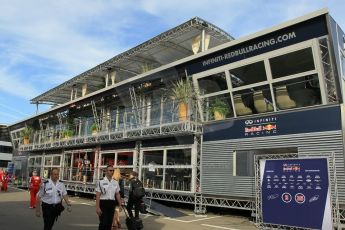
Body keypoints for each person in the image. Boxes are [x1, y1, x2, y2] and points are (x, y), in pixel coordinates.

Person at [96, 165, 123, 230]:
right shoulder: (101, 182)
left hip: (111, 203)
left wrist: (120, 204)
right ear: (106, 171)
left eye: (113, 170)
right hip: (103, 203)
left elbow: (117, 194)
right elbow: (98, 195)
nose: (112, 172)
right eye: (110, 170)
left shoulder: (115, 182)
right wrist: (97, 207)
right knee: (103, 222)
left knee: (109, 222)